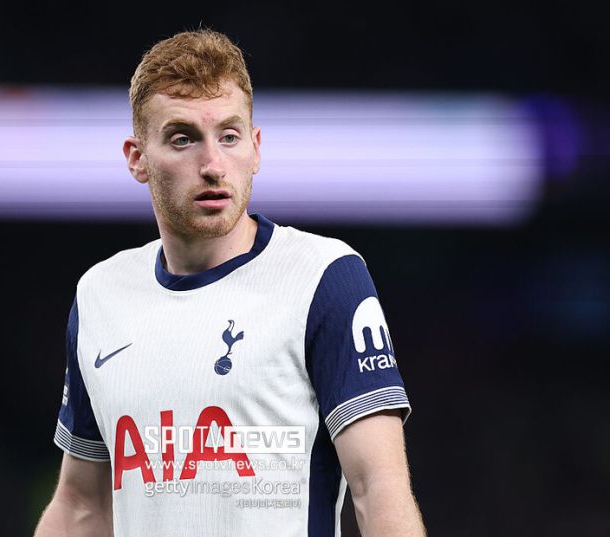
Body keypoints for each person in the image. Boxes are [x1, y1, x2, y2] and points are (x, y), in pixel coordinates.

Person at [34, 29, 426, 537]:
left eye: (229, 136)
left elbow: (378, 488)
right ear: (137, 157)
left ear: (256, 149)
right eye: (183, 138)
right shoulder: (100, 295)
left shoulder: (324, 276)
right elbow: (81, 505)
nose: (213, 166)